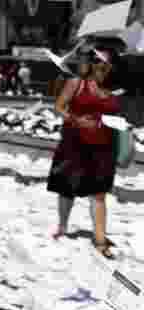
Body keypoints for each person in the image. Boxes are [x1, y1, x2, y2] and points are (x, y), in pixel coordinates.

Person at [46, 45, 122, 259]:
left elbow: (117, 117)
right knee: (67, 187)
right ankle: (62, 226)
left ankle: (100, 240)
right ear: (92, 64)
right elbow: (59, 107)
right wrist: (77, 120)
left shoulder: (114, 91)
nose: (103, 66)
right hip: (74, 143)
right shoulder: (76, 83)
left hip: (103, 147)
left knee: (99, 194)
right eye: (98, 62)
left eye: (107, 63)